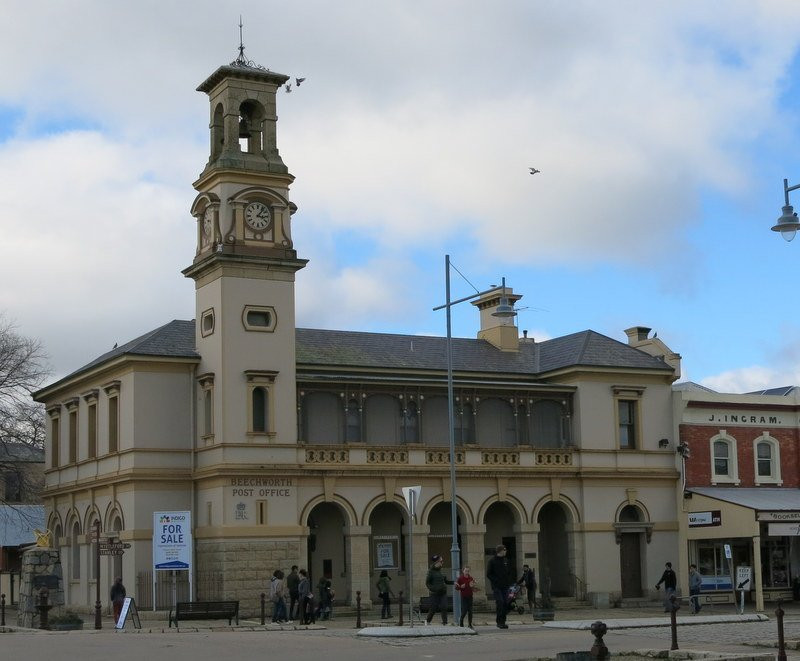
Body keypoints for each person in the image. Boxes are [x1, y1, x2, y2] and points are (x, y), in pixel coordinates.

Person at [486, 544, 512, 629]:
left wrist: (509, 581)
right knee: (500, 602)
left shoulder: (506, 560)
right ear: (500, 551)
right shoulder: (492, 561)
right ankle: (499, 622)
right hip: (497, 587)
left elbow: (509, 572)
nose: (505, 551)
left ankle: (503, 622)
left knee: (505, 603)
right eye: (504, 550)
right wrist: (496, 581)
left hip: (505, 586)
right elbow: (489, 574)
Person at [425, 554, 451, 625]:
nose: (442, 562)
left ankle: (445, 623)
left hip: (443, 592)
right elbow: (427, 583)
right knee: (433, 608)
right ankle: (427, 621)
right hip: (434, 593)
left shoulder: (441, 571)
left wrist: (455, 582)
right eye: (441, 561)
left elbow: (446, 581)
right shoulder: (431, 571)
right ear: (436, 562)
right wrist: (433, 589)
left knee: (444, 607)